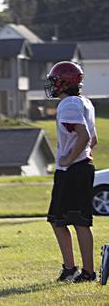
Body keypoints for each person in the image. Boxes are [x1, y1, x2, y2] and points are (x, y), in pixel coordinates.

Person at [45, 61, 98, 283]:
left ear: (65, 82)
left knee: (67, 221)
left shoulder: (68, 104)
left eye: (55, 81)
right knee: (69, 220)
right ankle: (79, 270)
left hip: (73, 170)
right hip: (81, 167)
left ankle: (78, 270)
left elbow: (84, 136)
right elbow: (92, 140)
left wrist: (68, 158)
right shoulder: (85, 102)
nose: (53, 86)